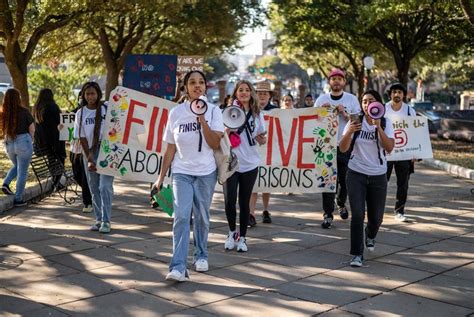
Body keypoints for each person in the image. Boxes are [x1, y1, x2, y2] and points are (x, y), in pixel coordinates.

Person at [154, 70, 224, 282]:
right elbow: (170, 149)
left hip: (206, 173)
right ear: (185, 87)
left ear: (205, 87)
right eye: (192, 82)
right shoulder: (175, 113)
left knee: (202, 216)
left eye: (201, 82)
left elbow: (214, 143)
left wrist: (202, 120)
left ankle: (201, 254)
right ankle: (178, 266)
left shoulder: (214, 111)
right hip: (181, 172)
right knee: (182, 217)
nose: (197, 86)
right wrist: (160, 178)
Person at [339, 89, 395, 267]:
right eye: (364, 101)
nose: (366, 103)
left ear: (378, 103)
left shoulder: (386, 122)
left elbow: (389, 148)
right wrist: (348, 132)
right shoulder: (355, 121)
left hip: (378, 175)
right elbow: (342, 148)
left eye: (370, 100)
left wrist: (378, 127)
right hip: (356, 173)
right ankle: (357, 254)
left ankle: (370, 234)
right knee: (357, 214)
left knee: (376, 217)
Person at [314, 68, 361, 229]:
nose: (336, 81)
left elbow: (357, 121)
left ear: (344, 82)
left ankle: (340, 202)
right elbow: (313, 122)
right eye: (333, 79)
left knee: (345, 179)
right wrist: (321, 113)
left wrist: (345, 113)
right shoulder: (321, 99)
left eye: (339, 79)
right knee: (327, 181)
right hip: (326, 146)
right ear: (329, 82)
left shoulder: (351, 99)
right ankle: (327, 214)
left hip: (345, 145)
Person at [224, 80, 267, 252]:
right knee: (229, 201)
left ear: (251, 93)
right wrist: (228, 129)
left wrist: (261, 139)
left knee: (244, 202)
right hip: (231, 162)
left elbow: (262, 138)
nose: (243, 93)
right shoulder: (227, 112)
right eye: (240, 90)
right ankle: (231, 232)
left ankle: (242, 237)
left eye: (247, 90)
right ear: (235, 93)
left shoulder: (257, 114)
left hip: (250, 163)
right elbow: (220, 135)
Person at [73, 81, 114, 233]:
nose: (90, 96)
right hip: (90, 152)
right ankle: (98, 219)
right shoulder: (80, 113)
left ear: (98, 94)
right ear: (83, 95)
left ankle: (106, 221)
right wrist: (89, 158)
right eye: (87, 94)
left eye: (93, 93)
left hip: (108, 151)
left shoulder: (106, 108)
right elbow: (82, 137)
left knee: (104, 187)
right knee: (94, 188)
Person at [385, 82, 417, 222]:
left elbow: (416, 132)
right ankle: (376, 208)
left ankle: (399, 211)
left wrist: (415, 153)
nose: (397, 94)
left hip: (404, 153)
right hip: (386, 152)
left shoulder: (410, 111)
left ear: (403, 95)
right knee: (380, 182)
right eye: (394, 92)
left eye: (399, 92)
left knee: (403, 183)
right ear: (390, 94)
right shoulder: (383, 109)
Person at [249, 81, 277, 226]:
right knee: (253, 185)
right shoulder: (250, 109)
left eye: (265, 93)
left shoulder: (276, 111)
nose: (262, 96)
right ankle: (251, 213)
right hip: (254, 150)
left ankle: (266, 210)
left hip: (271, 152)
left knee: (267, 183)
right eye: (259, 93)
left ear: (269, 96)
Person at [1, 88, 34, 206]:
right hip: (23, 142)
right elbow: (32, 130)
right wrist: (31, 141)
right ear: (18, 98)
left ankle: (5, 183)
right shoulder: (24, 111)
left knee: (18, 166)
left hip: (8, 143)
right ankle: (18, 198)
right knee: (22, 171)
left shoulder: (4, 113)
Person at [32, 88, 66, 188]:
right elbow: (58, 123)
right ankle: (56, 183)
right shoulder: (53, 107)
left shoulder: (37, 107)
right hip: (55, 140)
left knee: (51, 161)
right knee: (61, 160)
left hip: (43, 141)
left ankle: (55, 182)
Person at [70, 94, 93, 213]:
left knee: (85, 176)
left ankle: (88, 202)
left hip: (86, 150)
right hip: (75, 149)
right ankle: (90, 193)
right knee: (77, 175)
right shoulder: (74, 113)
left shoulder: (96, 112)